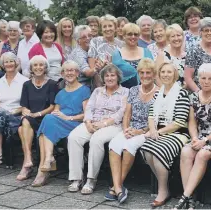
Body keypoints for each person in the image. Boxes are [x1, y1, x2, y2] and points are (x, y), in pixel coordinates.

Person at [173, 63, 211, 209]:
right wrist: (194, 138)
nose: (206, 81)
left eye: (210, 78)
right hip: (199, 137)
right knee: (185, 152)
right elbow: (192, 123)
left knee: (202, 155)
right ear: (198, 79)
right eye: (203, 78)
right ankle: (190, 198)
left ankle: (184, 196)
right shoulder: (193, 97)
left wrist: (204, 140)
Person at [66, 64, 128, 194]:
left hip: (113, 125)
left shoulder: (125, 92)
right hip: (93, 122)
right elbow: (89, 108)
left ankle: (91, 179)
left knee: (96, 140)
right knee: (73, 137)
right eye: (107, 76)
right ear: (103, 78)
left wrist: (104, 124)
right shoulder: (97, 91)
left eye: (112, 75)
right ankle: (76, 178)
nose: (109, 78)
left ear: (118, 77)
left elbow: (122, 113)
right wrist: (88, 122)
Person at [106, 58, 159, 203]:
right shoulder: (134, 90)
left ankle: (115, 186)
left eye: (148, 72)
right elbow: (127, 114)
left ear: (154, 74)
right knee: (114, 145)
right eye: (142, 72)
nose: (145, 76)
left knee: (129, 147)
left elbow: (155, 119)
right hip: (130, 128)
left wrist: (140, 131)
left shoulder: (159, 93)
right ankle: (118, 188)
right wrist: (126, 129)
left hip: (146, 131)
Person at [139, 62, 191, 207]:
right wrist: (153, 130)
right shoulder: (158, 93)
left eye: (169, 72)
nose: (166, 75)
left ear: (175, 75)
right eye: (163, 72)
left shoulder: (181, 93)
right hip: (158, 132)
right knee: (146, 149)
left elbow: (179, 122)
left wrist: (159, 132)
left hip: (177, 133)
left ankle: (163, 191)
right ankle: (167, 185)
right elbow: (151, 116)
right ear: (159, 74)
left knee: (157, 151)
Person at [31, 61, 90, 185]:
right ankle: (47, 160)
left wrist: (68, 117)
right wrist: (57, 114)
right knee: (48, 121)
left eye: (72, 70)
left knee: (44, 128)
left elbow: (87, 115)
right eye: (66, 70)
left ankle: (45, 166)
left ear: (77, 73)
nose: (69, 73)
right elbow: (56, 112)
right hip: (61, 124)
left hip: (76, 124)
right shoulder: (60, 93)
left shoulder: (85, 90)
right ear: (62, 74)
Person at [16, 55, 58, 181]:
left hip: (46, 119)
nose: (38, 67)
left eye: (41, 65)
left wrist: (38, 114)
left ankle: (27, 165)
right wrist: (26, 111)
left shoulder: (52, 84)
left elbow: (52, 106)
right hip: (30, 119)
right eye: (35, 65)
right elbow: (23, 106)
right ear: (31, 68)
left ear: (45, 67)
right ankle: (28, 159)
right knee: (24, 120)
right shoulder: (27, 85)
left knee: (21, 128)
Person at [111, 23, 154, 88]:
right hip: (123, 93)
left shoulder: (147, 52)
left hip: (146, 91)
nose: (133, 37)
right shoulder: (117, 54)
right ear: (124, 36)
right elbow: (113, 76)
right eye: (130, 34)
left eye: (136, 34)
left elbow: (153, 72)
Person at [184, 17, 211, 92]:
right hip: (198, 96)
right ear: (200, 32)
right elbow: (188, 78)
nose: (209, 33)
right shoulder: (193, 51)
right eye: (206, 30)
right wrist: (199, 93)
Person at [88, 14, 124, 84]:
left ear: (115, 28)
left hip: (118, 81)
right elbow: (92, 67)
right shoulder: (95, 41)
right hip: (99, 80)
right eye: (104, 26)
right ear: (101, 29)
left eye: (110, 26)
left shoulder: (122, 44)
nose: (107, 29)